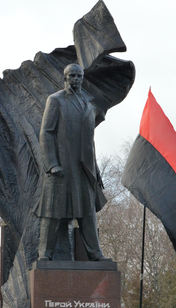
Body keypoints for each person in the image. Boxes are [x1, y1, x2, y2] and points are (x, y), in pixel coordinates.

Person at [36, 63, 111, 262]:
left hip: (84, 169)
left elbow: (90, 141)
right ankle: (44, 254)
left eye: (79, 76)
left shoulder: (89, 103)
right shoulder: (55, 100)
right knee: (52, 212)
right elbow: (46, 133)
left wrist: (96, 171)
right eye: (72, 76)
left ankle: (95, 254)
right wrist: (52, 164)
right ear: (65, 78)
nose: (76, 79)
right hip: (61, 166)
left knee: (87, 214)